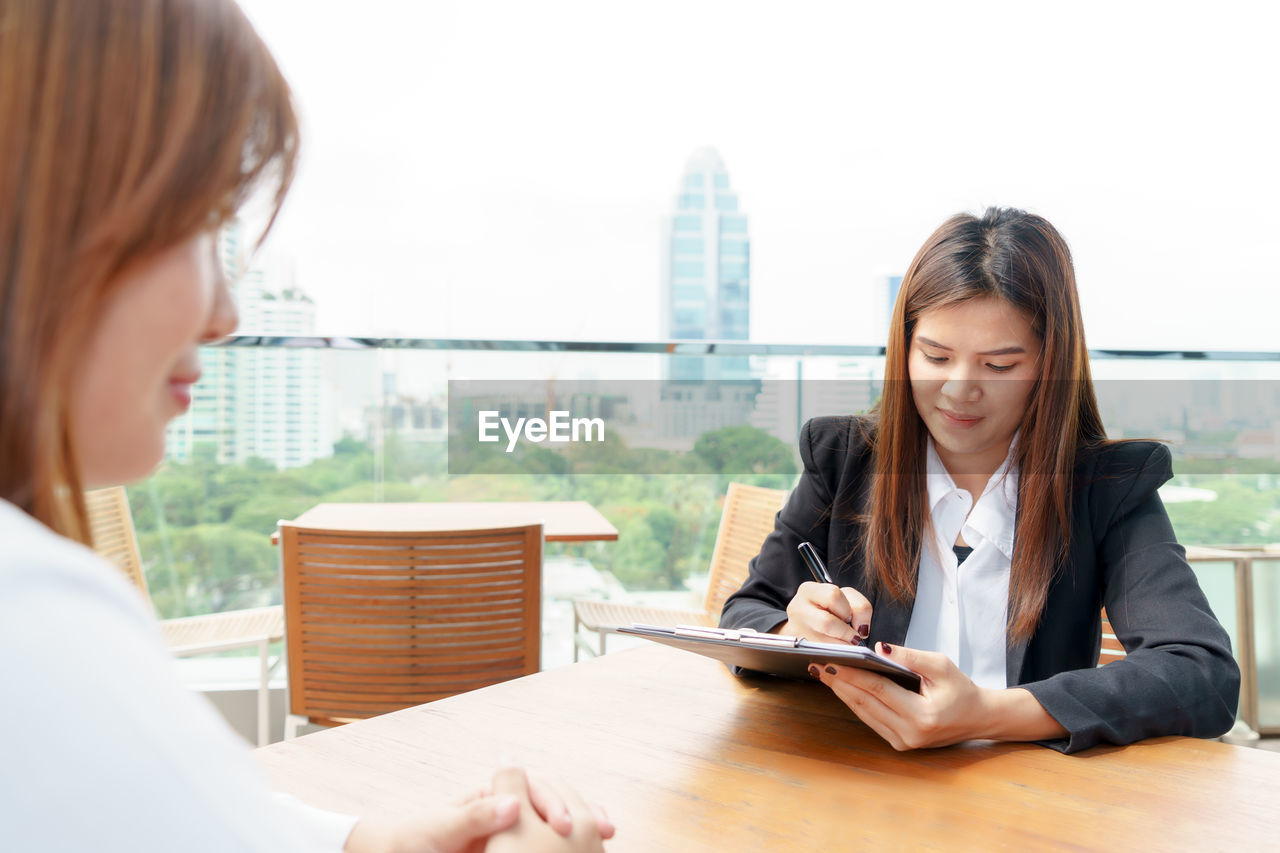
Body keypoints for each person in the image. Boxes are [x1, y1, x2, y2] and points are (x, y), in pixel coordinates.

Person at [0, 1, 612, 850]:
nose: (224, 314)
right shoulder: (34, 621)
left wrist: (362, 841)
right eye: (193, 227)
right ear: (42, 209)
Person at [720, 207, 1240, 754]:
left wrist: (988, 714)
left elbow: (1201, 675)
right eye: (936, 356)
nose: (959, 390)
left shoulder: (1105, 486)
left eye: (998, 366)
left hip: (1027, 802)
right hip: (860, 785)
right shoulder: (844, 459)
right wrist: (792, 633)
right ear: (904, 347)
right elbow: (745, 613)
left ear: (1050, 363)